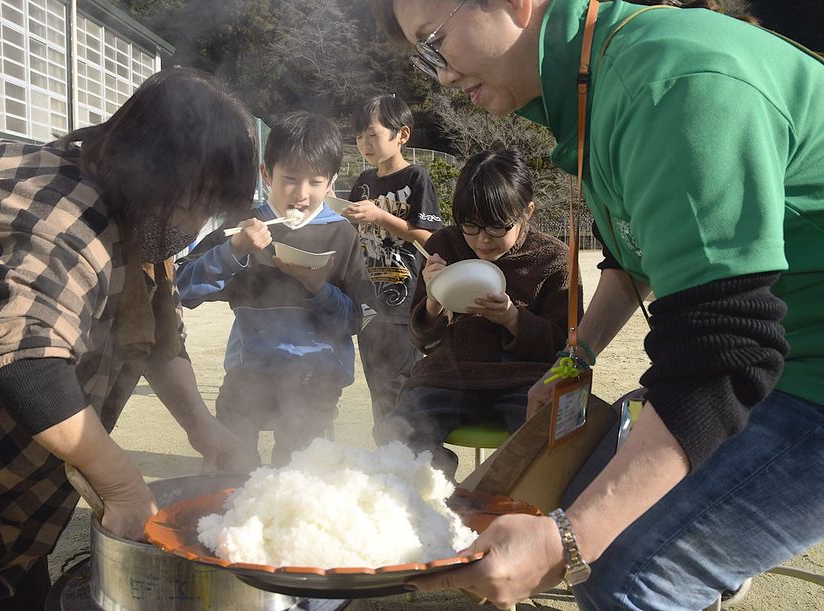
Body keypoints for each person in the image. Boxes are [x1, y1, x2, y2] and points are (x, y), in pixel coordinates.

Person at [371, 1, 824, 609]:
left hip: (803, 378)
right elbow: (632, 261)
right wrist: (573, 359)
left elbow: (724, 353)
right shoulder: (595, 87)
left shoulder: (669, 83)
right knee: (585, 507)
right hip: (777, 358)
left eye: (436, 40)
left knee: (623, 571)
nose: (442, 75)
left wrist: (569, 542)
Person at [0, 67, 258, 609]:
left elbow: (156, 339)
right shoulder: (55, 214)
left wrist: (204, 428)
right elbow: (26, 361)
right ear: (154, 172)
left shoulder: (135, 207)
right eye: (198, 203)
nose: (198, 226)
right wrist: (123, 485)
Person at [175, 112, 375, 467]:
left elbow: (354, 321)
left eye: (315, 181)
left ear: (330, 184)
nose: (301, 194)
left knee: (297, 467)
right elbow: (183, 289)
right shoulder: (245, 227)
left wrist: (318, 289)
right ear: (267, 174)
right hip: (251, 367)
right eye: (290, 179)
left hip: (317, 372)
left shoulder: (340, 233)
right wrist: (234, 250)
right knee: (230, 458)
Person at [386, 148, 579, 479]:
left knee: (545, 446)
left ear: (527, 211)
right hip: (449, 375)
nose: (482, 241)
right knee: (400, 435)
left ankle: (506, 507)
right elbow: (421, 339)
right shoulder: (444, 245)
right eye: (470, 226)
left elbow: (567, 346)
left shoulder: (554, 259)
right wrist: (434, 300)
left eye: (496, 228)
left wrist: (512, 319)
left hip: (524, 381)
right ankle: (433, 498)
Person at [345, 94, 443, 444]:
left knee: (402, 386)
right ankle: (389, 457)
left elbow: (429, 237)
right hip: (369, 303)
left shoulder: (417, 178)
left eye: (372, 134)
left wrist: (381, 216)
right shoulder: (364, 180)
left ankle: (409, 456)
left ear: (402, 135)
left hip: (407, 304)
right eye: (359, 136)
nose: (364, 143)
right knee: (378, 388)